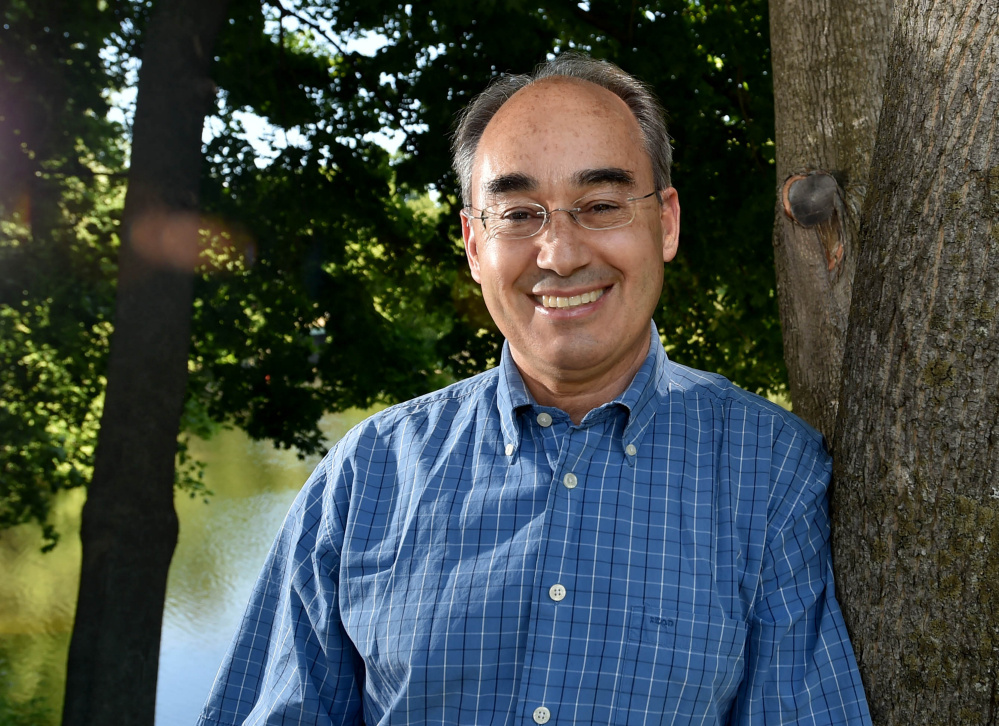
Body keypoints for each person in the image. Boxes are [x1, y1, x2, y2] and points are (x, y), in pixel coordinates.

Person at [197, 53, 871, 726]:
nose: (559, 254)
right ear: (471, 242)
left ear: (664, 223)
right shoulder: (368, 472)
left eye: (600, 205)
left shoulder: (771, 472)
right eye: (518, 214)